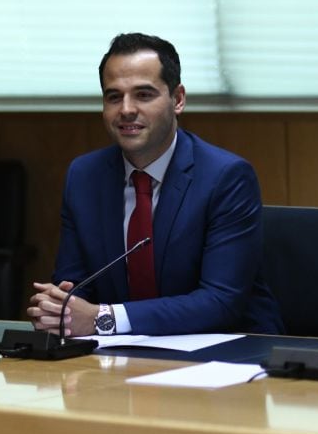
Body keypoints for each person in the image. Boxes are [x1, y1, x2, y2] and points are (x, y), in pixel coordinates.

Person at [27, 33, 283, 337]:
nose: (126, 109)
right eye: (113, 96)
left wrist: (103, 318)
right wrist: (59, 310)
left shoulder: (225, 177)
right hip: (120, 359)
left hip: (226, 355)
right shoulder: (85, 176)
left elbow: (221, 301)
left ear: (178, 100)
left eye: (143, 95)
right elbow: (74, 284)